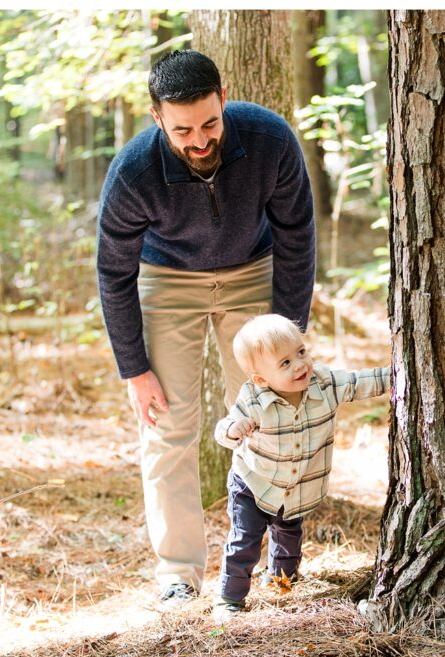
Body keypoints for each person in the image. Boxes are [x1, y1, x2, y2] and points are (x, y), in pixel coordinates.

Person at [96, 50, 316, 609]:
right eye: (182, 129)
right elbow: (114, 272)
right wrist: (135, 369)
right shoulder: (134, 171)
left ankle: (274, 560)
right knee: (167, 425)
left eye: (210, 123)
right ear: (157, 118)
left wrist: (288, 339)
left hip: (251, 271)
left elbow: (296, 238)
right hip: (168, 281)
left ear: (224, 96)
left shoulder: (269, 141)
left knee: (267, 416)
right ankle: (177, 572)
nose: (199, 140)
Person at [211, 314, 391, 623]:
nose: (299, 365)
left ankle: (282, 582)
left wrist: (399, 372)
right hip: (253, 483)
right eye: (285, 363)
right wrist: (233, 429)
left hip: (294, 489)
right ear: (261, 379)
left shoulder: (325, 384)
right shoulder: (253, 399)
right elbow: (223, 430)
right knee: (244, 541)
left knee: (288, 539)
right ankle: (230, 599)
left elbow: (362, 382)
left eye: (301, 352)